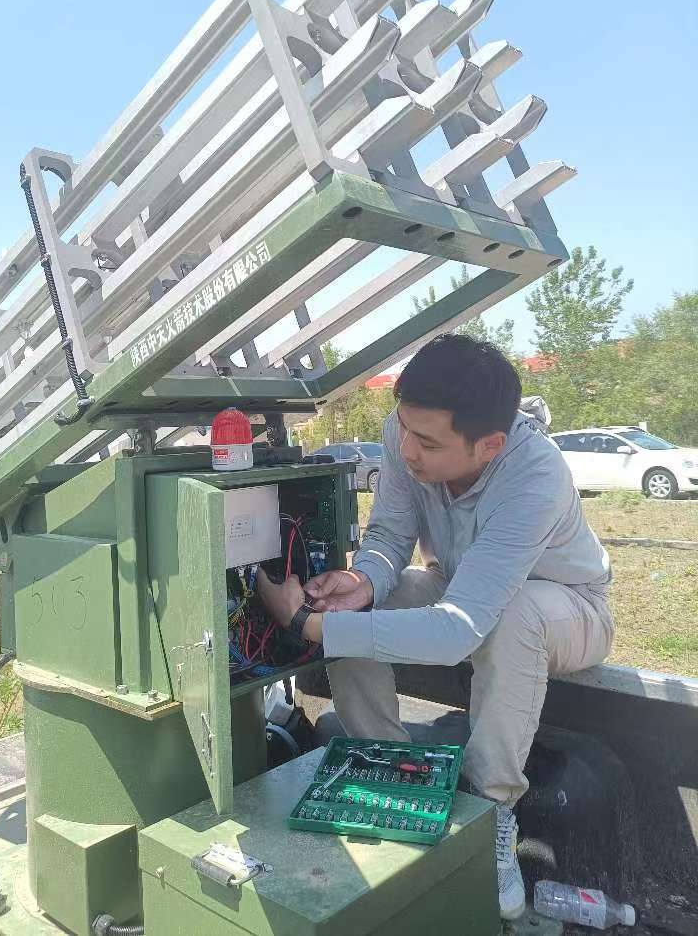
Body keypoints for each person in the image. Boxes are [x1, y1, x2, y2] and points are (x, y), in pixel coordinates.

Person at [257, 333, 614, 921]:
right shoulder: (406, 441)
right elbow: (392, 533)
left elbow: (461, 630)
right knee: (362, 603)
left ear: (490, 444)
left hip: (569, 609)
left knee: (514, 614)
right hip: (463, 586)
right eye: (401, 428)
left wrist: (308, 625)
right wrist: (364, 581)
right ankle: (385, 770)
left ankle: (494, 809)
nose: (407, 450)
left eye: (427, 442)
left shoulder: (536, 476)